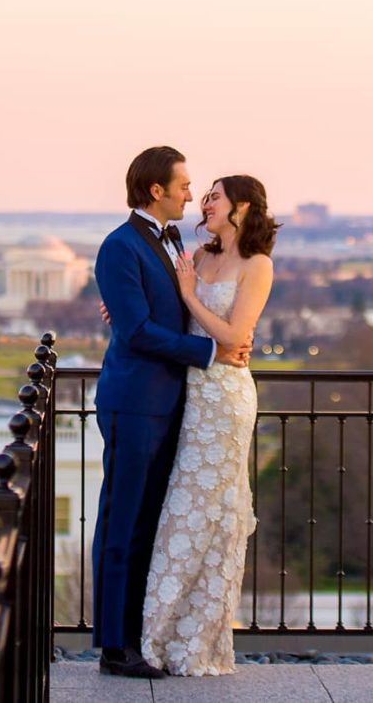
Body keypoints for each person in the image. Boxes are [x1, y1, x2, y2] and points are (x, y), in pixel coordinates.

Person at [89, 147, 251, 679]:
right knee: (123, 521)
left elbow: (168, 307)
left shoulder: (175, 239)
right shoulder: (119, 247)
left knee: (149, 525)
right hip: (134, 404)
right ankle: (115, 646)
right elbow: (135, 331)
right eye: (184, 185)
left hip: (172, 403)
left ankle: (139, 635)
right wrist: (210, 353)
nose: (191, 194)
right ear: (156, 190)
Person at [139, 174, 276, 676]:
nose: (204, 202)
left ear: (241, 207)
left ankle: (198, 640)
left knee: (213, 514)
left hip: (225, 398)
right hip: (190, 391)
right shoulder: (199, 257)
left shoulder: (257, 265)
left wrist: (193, 297)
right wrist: (125, 311)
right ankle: (162, 631)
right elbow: (173, 315)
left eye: (214, 196)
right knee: (181, 510)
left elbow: (234, 336)